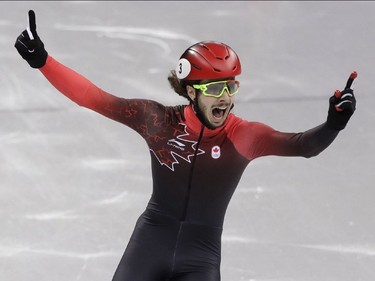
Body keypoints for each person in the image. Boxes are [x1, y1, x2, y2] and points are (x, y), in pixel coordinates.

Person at [15, 10, 356, 281]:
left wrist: (334, 123)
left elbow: (302, 146)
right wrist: (44, 61)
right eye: (214, 88)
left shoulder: (244, 135)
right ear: (191, 91)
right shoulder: (157, 121)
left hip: (200, 256)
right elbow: (94, 98)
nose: (224, 97)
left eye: (231, 87)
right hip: (151, 242)